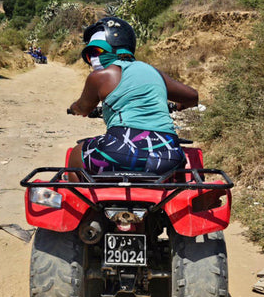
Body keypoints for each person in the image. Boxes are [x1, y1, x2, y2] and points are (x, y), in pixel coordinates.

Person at [68, 17, 198, 182]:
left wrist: (73, 108)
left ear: (114, 48)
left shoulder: (100, 76)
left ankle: (85, 204)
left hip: (118, 153)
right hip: (169, 156)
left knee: (76, 154)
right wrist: (179, 105)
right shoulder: (154, 73)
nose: (92, 59)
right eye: (89, 55)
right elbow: (193, 97)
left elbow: (83, 108)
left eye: (96, 52)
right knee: (177, 173)